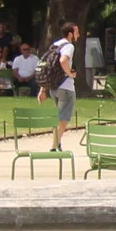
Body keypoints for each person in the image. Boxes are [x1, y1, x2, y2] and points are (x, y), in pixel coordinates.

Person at [46, 23, 79, 151]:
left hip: (53, 87)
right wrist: (69, 73)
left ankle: (58, 143)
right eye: (76, 32)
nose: (78, 35)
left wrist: (43, 88)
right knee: (63, 119)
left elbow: (48, 66)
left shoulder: (55, 44)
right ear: (70, 34)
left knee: (59, 117)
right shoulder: (69, 46)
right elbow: (63, 60)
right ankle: (54, 145)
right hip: (66, 87)